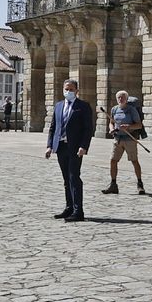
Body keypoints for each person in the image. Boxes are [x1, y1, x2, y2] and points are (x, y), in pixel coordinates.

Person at [44, 77, 94, 222]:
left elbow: (88, 129)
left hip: (75, 148)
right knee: (66, 179)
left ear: (77, 91)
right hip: (60, 147)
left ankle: (78, 211)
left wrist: (84, 146)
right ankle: (69, 207)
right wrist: (49, 146)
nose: (68, 92)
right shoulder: (59, 105)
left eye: (71, 89)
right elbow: (53, 127)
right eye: (66, 89)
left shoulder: (83, 106)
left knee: (74, 177)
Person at [103, 89, 149, 195]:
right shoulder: (114, 109)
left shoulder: (131, 110)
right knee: (113, 160)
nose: (120, 99)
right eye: (119, 97)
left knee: (134, 161)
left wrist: (128, 126)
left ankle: (140, 184)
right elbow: (111, 122)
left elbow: (139, 125)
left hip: (130, 139)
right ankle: (113, 184)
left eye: (122, 97)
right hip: (118, 139)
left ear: (126, 99)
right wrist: (111, 129)